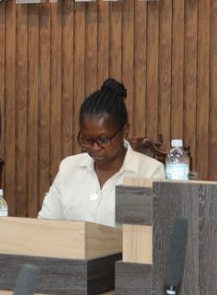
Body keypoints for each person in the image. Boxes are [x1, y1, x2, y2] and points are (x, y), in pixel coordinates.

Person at [38, 78, 165, 227]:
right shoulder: (69, 168)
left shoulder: (148, 172)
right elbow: (46, 227)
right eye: (87, 139)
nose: (95, 147)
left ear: (125, 131)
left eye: (103, 140)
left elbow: (140, 235)